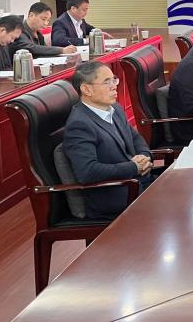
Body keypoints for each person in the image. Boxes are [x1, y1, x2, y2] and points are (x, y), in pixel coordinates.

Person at [62, 61, 152, 219]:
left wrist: (144, 156)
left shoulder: (115, 108)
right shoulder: (79, 124)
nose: (114, 86)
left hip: (138, 183)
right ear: (86, 89)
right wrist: (133, 167)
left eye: (114, 80)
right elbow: (87, 172)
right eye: (106, 82)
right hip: (115, 196)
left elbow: (135, 138)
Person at [10, 2, 76, 58]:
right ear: (31, 15)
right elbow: (31, 48)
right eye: (43, 19)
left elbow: (44, 50)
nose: (46, 23)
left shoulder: (38, 33)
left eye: (48, 20)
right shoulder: (19, 30)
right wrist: (62, 50)